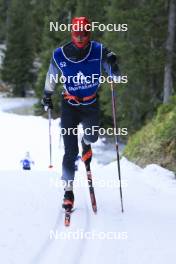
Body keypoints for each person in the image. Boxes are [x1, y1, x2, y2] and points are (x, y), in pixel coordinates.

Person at [42, 17, 120, 211]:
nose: (79, 37)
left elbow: (115, 77)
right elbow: (51, 76)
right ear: (71, 33)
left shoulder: (99, 50)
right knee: (70, 152)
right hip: (69, 105)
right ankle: (68, 192)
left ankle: (86, 142)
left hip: (90, 104)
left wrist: (113, 63)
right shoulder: (60, 54)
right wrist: (47, 95)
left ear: (89, 33)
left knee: (92, 136)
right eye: (76, 33)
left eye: (83, 33)